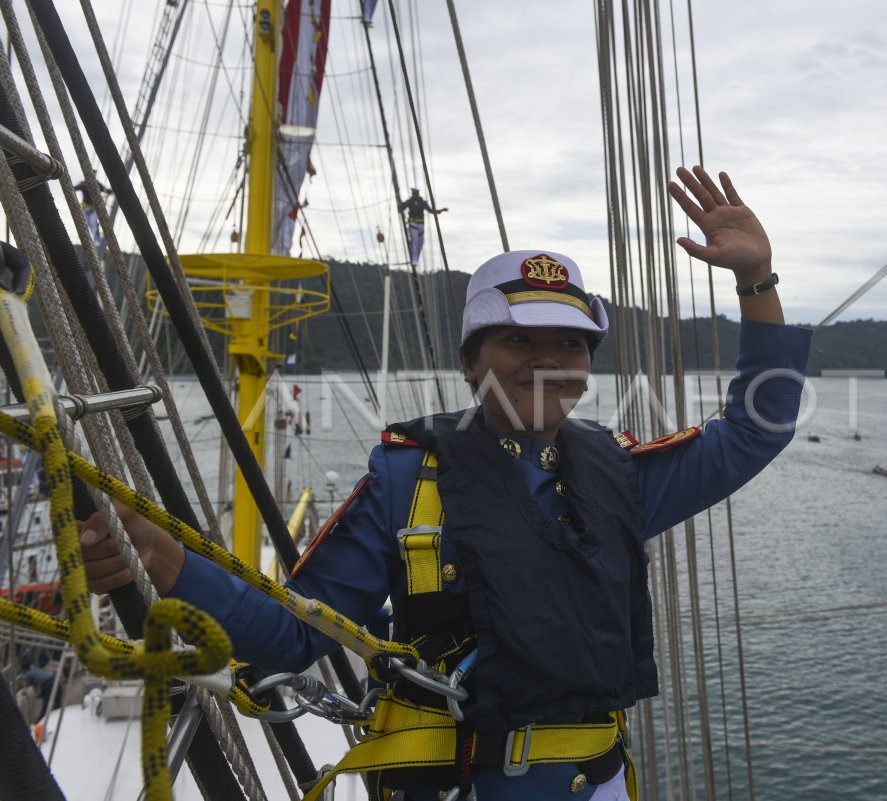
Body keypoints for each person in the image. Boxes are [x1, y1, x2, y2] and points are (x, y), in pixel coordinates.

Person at [79, 165, 811, 800]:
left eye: (569, 343)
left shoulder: (620, 475)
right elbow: (295, 634)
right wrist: (166, 561)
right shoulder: (407, 481)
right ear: (471, 361)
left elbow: (754, 429)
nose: (544, 360)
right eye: (517, 339)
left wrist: (756, 279)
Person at [401, 187, 447, 264]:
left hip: (421, 225)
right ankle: (414, 260)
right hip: (413, 224)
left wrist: (441, 210)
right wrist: (400, 206)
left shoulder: (423, 202)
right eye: (414, 194)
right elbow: (402, 207)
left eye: (416, 193)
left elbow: (431, 210)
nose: (415, 195)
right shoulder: (409, 202)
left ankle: (416, 258)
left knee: (421, 242)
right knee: (415, 242)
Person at [73, 181, 111, 245]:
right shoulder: (84, 184)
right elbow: (74, 188)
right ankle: (88, 241)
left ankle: (94, 241)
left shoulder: (97, 184)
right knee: (85, 224)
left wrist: (108, 190)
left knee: (93, 226)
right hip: (85, 208)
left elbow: (106, 190)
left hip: (93, 209)